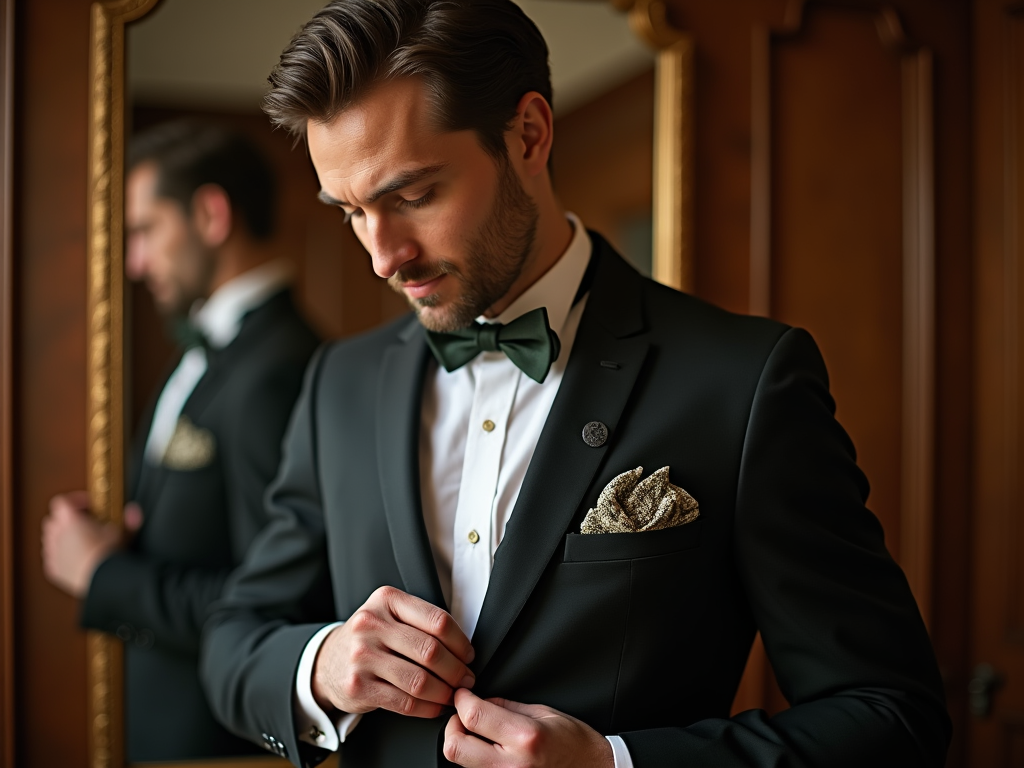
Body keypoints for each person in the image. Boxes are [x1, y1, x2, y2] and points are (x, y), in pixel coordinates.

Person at [200, 2, 951, 767]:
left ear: (529, 135)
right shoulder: (340, 383)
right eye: (353, 213)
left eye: (413, 196)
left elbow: (892, 716)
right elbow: (233, 640)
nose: (382, 257)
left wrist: (614, 765)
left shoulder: (745, 383)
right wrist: (318, 666)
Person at [41, 121, 321, 762]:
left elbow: (276, 600)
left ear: (209, 213)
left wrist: (102, 574)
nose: (135, 263)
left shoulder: (278, 370)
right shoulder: (205, 353)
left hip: (214, 739)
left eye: (144, 231)